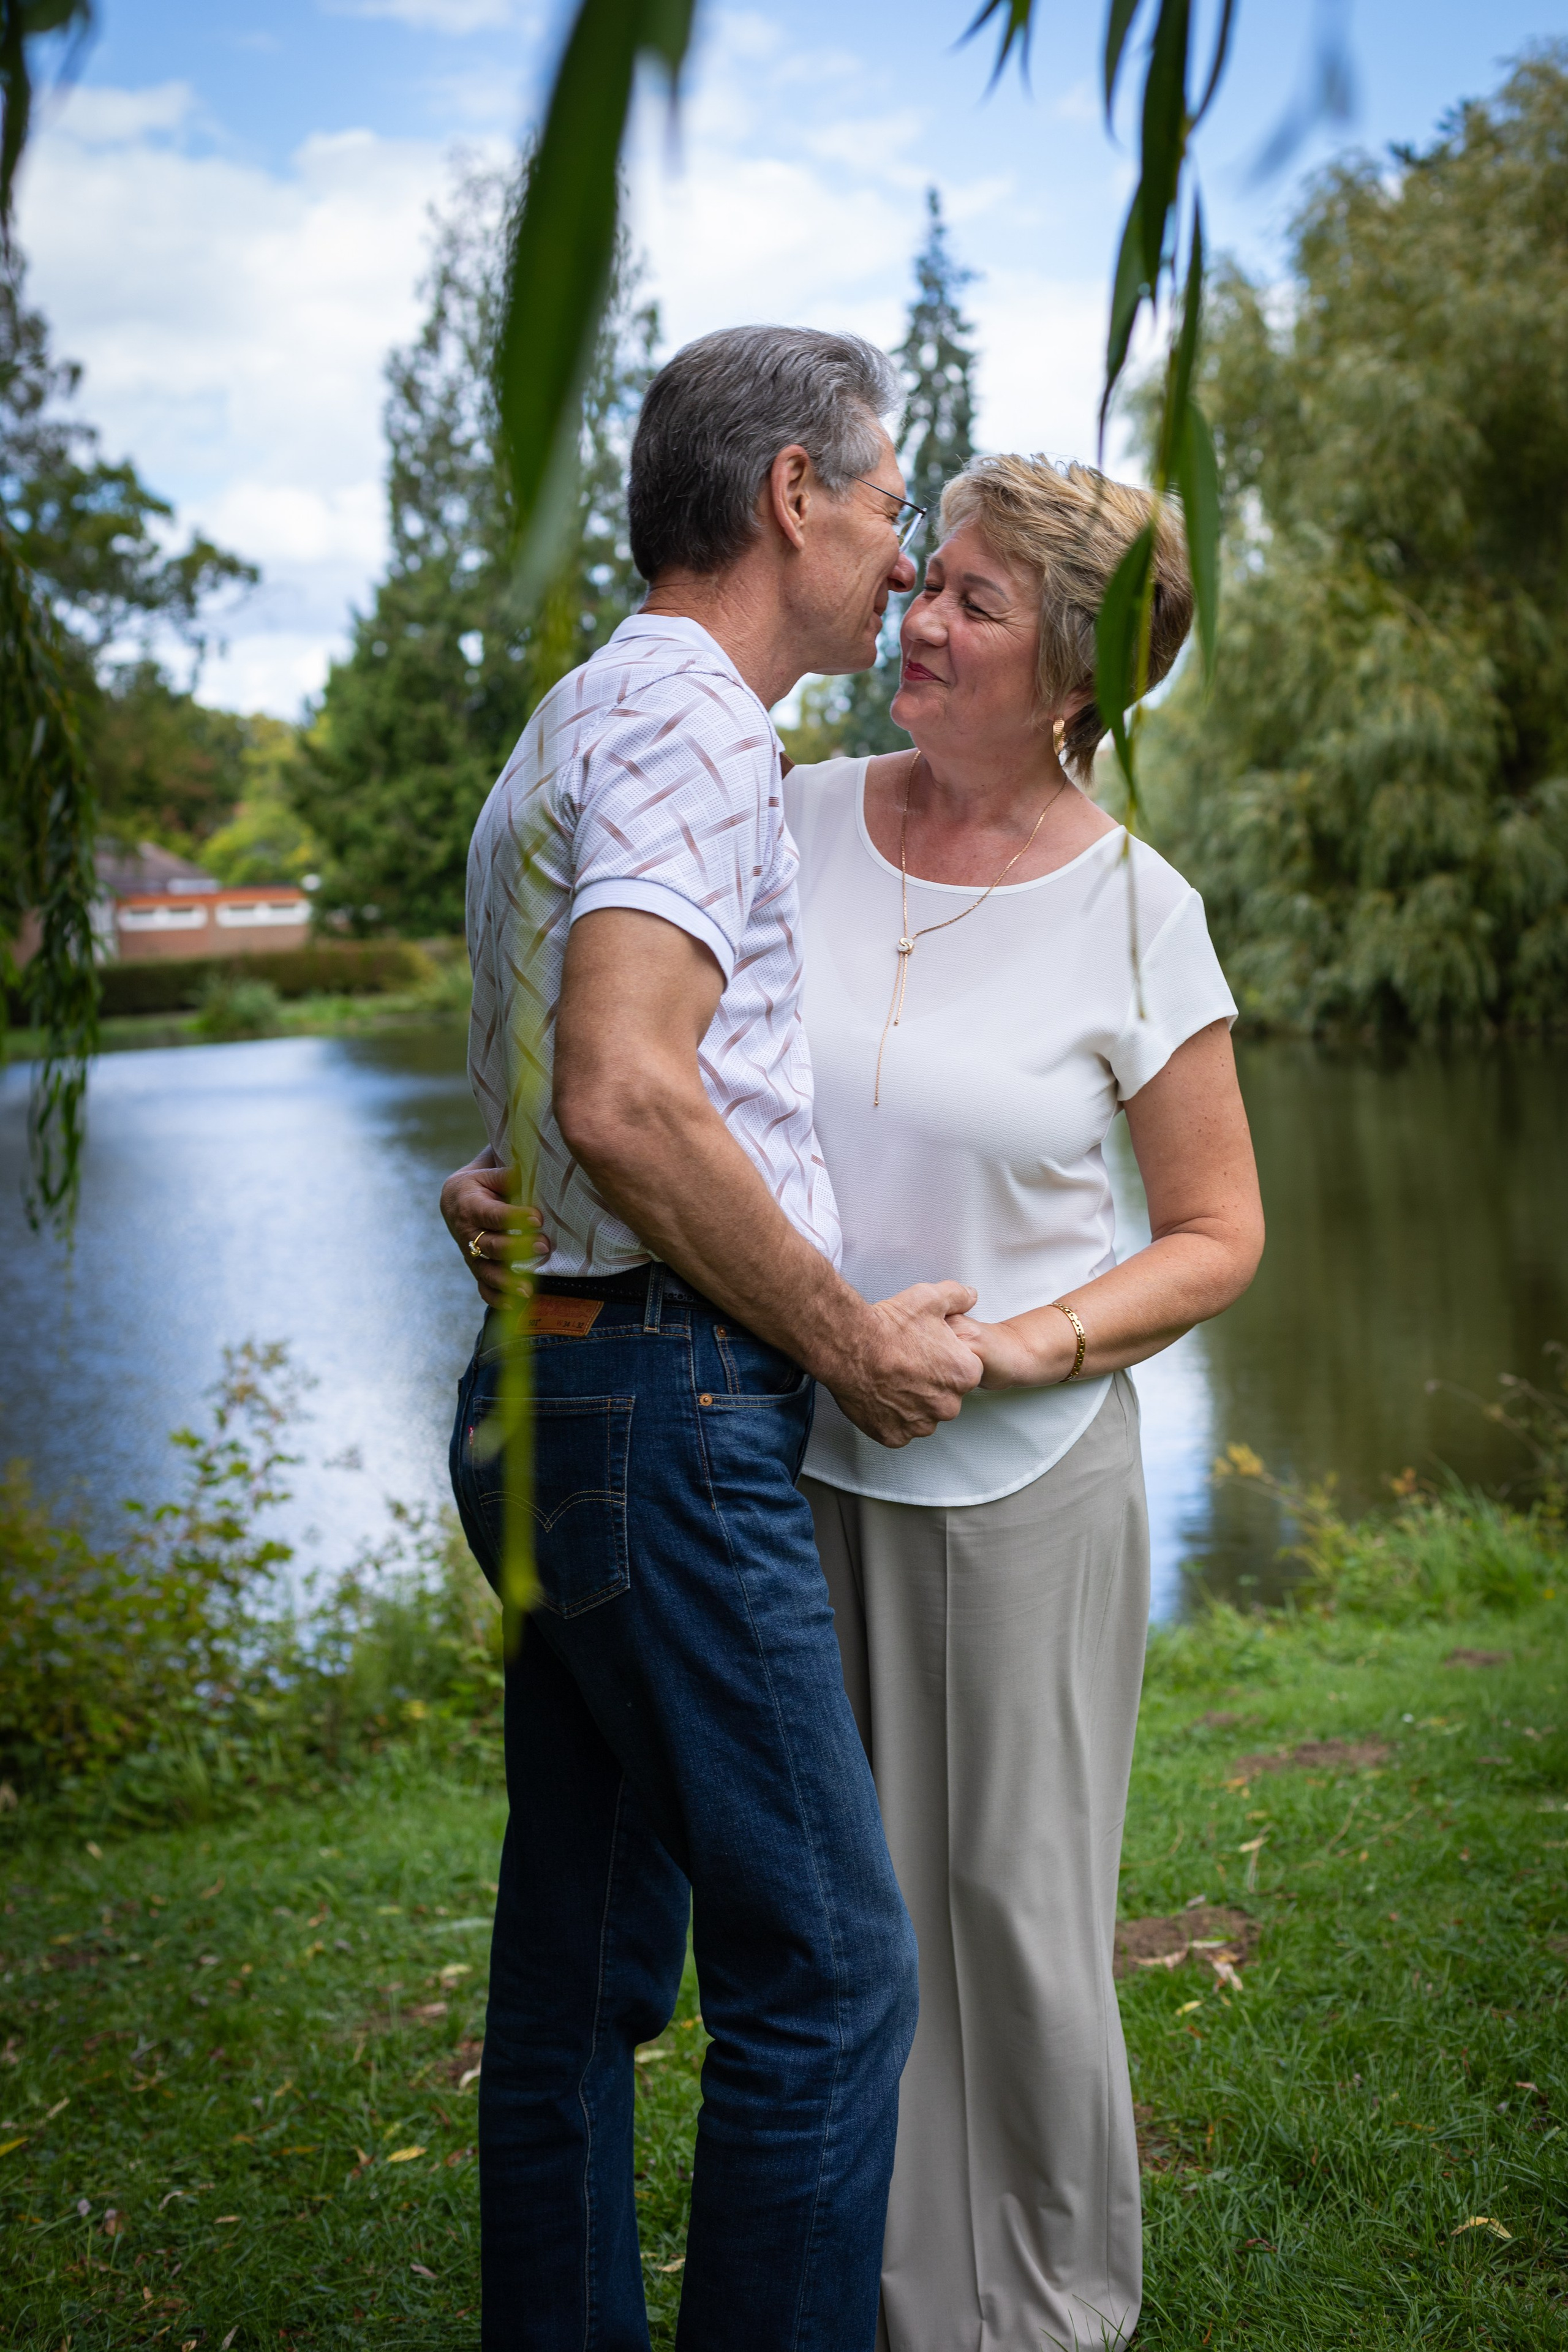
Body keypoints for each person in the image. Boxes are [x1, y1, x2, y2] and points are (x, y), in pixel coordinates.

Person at [447, 448, 1264, 2350]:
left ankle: (1046, 2302)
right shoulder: (783, 807)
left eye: (975, 601)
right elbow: (640, 1063)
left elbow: (1218, 1236)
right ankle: (887, 2289)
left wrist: (1021, 1347)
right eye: (930, 577)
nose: (922, 616)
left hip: (1020, 1477)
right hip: (763, 1436)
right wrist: (520, 1185)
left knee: (1011, 1910)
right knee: (832, 1925)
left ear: (1073, 674)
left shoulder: (1144, 911)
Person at [442, 324, 984, 2352]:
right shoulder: (690, 718)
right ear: (790, 499)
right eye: (888, 502)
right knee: (830, 1971)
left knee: (576, 1975)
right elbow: (627, 1092)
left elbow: (553, 1095)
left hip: (554, 1385)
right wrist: (847, 1339)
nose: (903, 553)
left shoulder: (579, 710)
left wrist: (496, 1187)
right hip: (660, 1403)